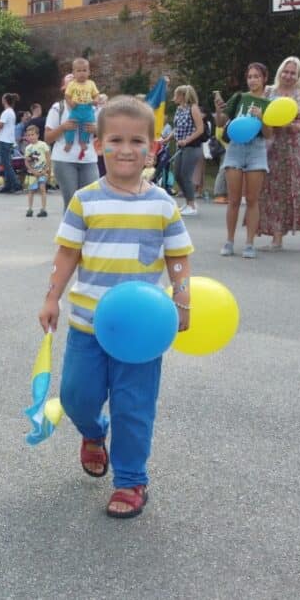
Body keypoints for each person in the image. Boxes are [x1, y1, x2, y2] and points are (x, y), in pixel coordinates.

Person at [38, 95, 194, 519]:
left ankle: (130, 479)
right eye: (116, 140)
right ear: (98, 145)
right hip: (88, 325)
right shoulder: (85, 199)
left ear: (153, 147)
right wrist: (52, 297)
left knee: (134, 407)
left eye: (137, 141)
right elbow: (67, 254)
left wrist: (182, 299)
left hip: (141, 334)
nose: (127, 149)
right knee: (75, 396)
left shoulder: (162, 203)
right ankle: (93, 432)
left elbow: (178, 257)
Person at [260, 56, 300, 252]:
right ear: (280, 72)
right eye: (285, 72)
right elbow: (262, 117)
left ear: (299, 75)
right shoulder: (269, 92)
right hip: (275, 147)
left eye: (293, 73)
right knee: (275, 190)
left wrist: (298, 127)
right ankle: (277, 237)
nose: (288, 76)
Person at [212, 62, 273, 258]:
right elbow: (221, 123)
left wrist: (262, 117)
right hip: (236, 148)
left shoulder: (269, 104)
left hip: (256, 149)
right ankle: (229, 241)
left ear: (264, 79)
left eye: (257, 76)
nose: (253, 80)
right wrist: (219, 110)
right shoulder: (239, 97)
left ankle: (249, 243)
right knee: (234, 199)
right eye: (250, 76)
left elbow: (269, 133)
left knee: (253, 199)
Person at [46, 73, 100, 212]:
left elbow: (109, 135)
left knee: (90, 201)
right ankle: (70, 233)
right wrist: (63, 127)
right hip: (64, 160)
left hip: (88, 159)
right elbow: (47, 138)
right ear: (65, 89)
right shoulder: (58, 108)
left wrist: (97, 130)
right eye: (71, 84)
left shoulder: (94, 109)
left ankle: (88, 233)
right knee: (72, 202)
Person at [171, 84, 208, 216]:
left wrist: (186, 140)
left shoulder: (193, 109)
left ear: (182, 96)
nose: (174, 98)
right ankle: (188, 202)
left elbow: (200, 129)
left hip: (191, 147)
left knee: (186, 175)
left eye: (176, 95)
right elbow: (177, 127)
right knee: (177, 175)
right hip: (180, 146)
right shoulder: (179, 109)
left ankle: (191, 205)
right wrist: (168, 138)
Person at [63, 57, 100, 146]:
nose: (81, 73)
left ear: (89, 72)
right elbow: (67, 96)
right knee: (71, 124)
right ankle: (69, 142)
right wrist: (70, 103)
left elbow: (96, 94)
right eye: (78, 71)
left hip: (88, 108)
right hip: (76, 108)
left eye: (84, 70)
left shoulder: (91, 83)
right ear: (74, 73)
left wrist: (95, 100)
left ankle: (83, 142)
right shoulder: (72, 84)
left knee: (87, 126)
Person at [0, 93, 22, 193]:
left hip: (4, 140)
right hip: (9, 140)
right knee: (7, 163)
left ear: (5, 100)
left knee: (6, 164)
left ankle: (16, 184)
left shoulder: (6, 112)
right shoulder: (12, 112)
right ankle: (8, 185)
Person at [22, 125, 50, 217]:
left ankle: (43, 209)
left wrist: (45, 170)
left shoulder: (43, 145)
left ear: (37, 135)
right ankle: (30, 209)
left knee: (42, 189)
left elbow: (48, 158)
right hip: (32, 173)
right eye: (28, 135)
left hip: (42, 171)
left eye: (32, 134)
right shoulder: (28, 148)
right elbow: (26, 162)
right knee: (31, 191)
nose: (31, 137)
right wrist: (33, 171)